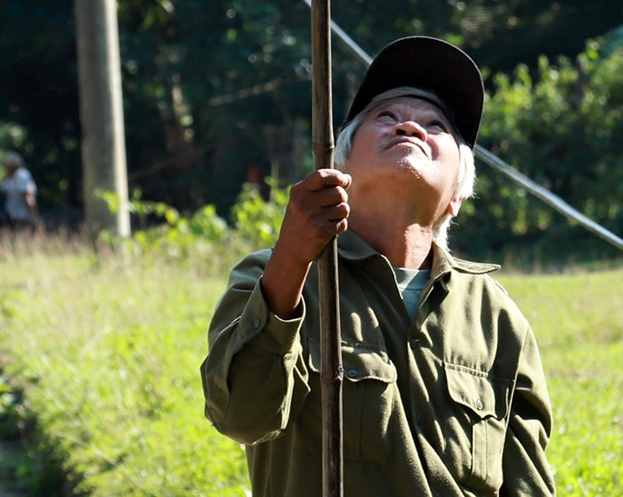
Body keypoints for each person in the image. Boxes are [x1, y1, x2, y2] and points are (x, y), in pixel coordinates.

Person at [201, 36, 556, 496]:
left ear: (457, 196)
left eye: (435, 124)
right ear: (338, 163)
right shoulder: (276, 278)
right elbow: (241, 417)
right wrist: (292, 254)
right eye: (386, 117)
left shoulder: (497, 319)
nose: (410, 127)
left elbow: (528, 486)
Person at [0, 151, 38, 230]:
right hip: (13, 216)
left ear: (11, 166)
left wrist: (34, 217)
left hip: (22, 217)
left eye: (7, 167)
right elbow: (3, 189)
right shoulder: (11, 178)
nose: (6, 169)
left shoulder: (21, 175)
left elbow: (28, 196)